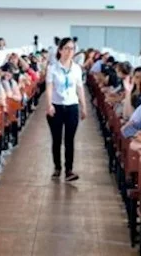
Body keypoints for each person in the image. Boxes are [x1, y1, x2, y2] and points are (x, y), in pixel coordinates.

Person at [45, 37, 86, 182]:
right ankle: (57, 167)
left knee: (69, 139)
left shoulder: (77, 69)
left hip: (72, 106)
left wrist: (83, 106)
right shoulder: (52, 68)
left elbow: (79, 88)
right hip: (56, 106)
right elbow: (49, 88)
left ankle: (69, 169)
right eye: (66, 48)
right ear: (60, 50)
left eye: (72, 49)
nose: (69, 52)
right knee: (56, 139)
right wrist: (49, 105)